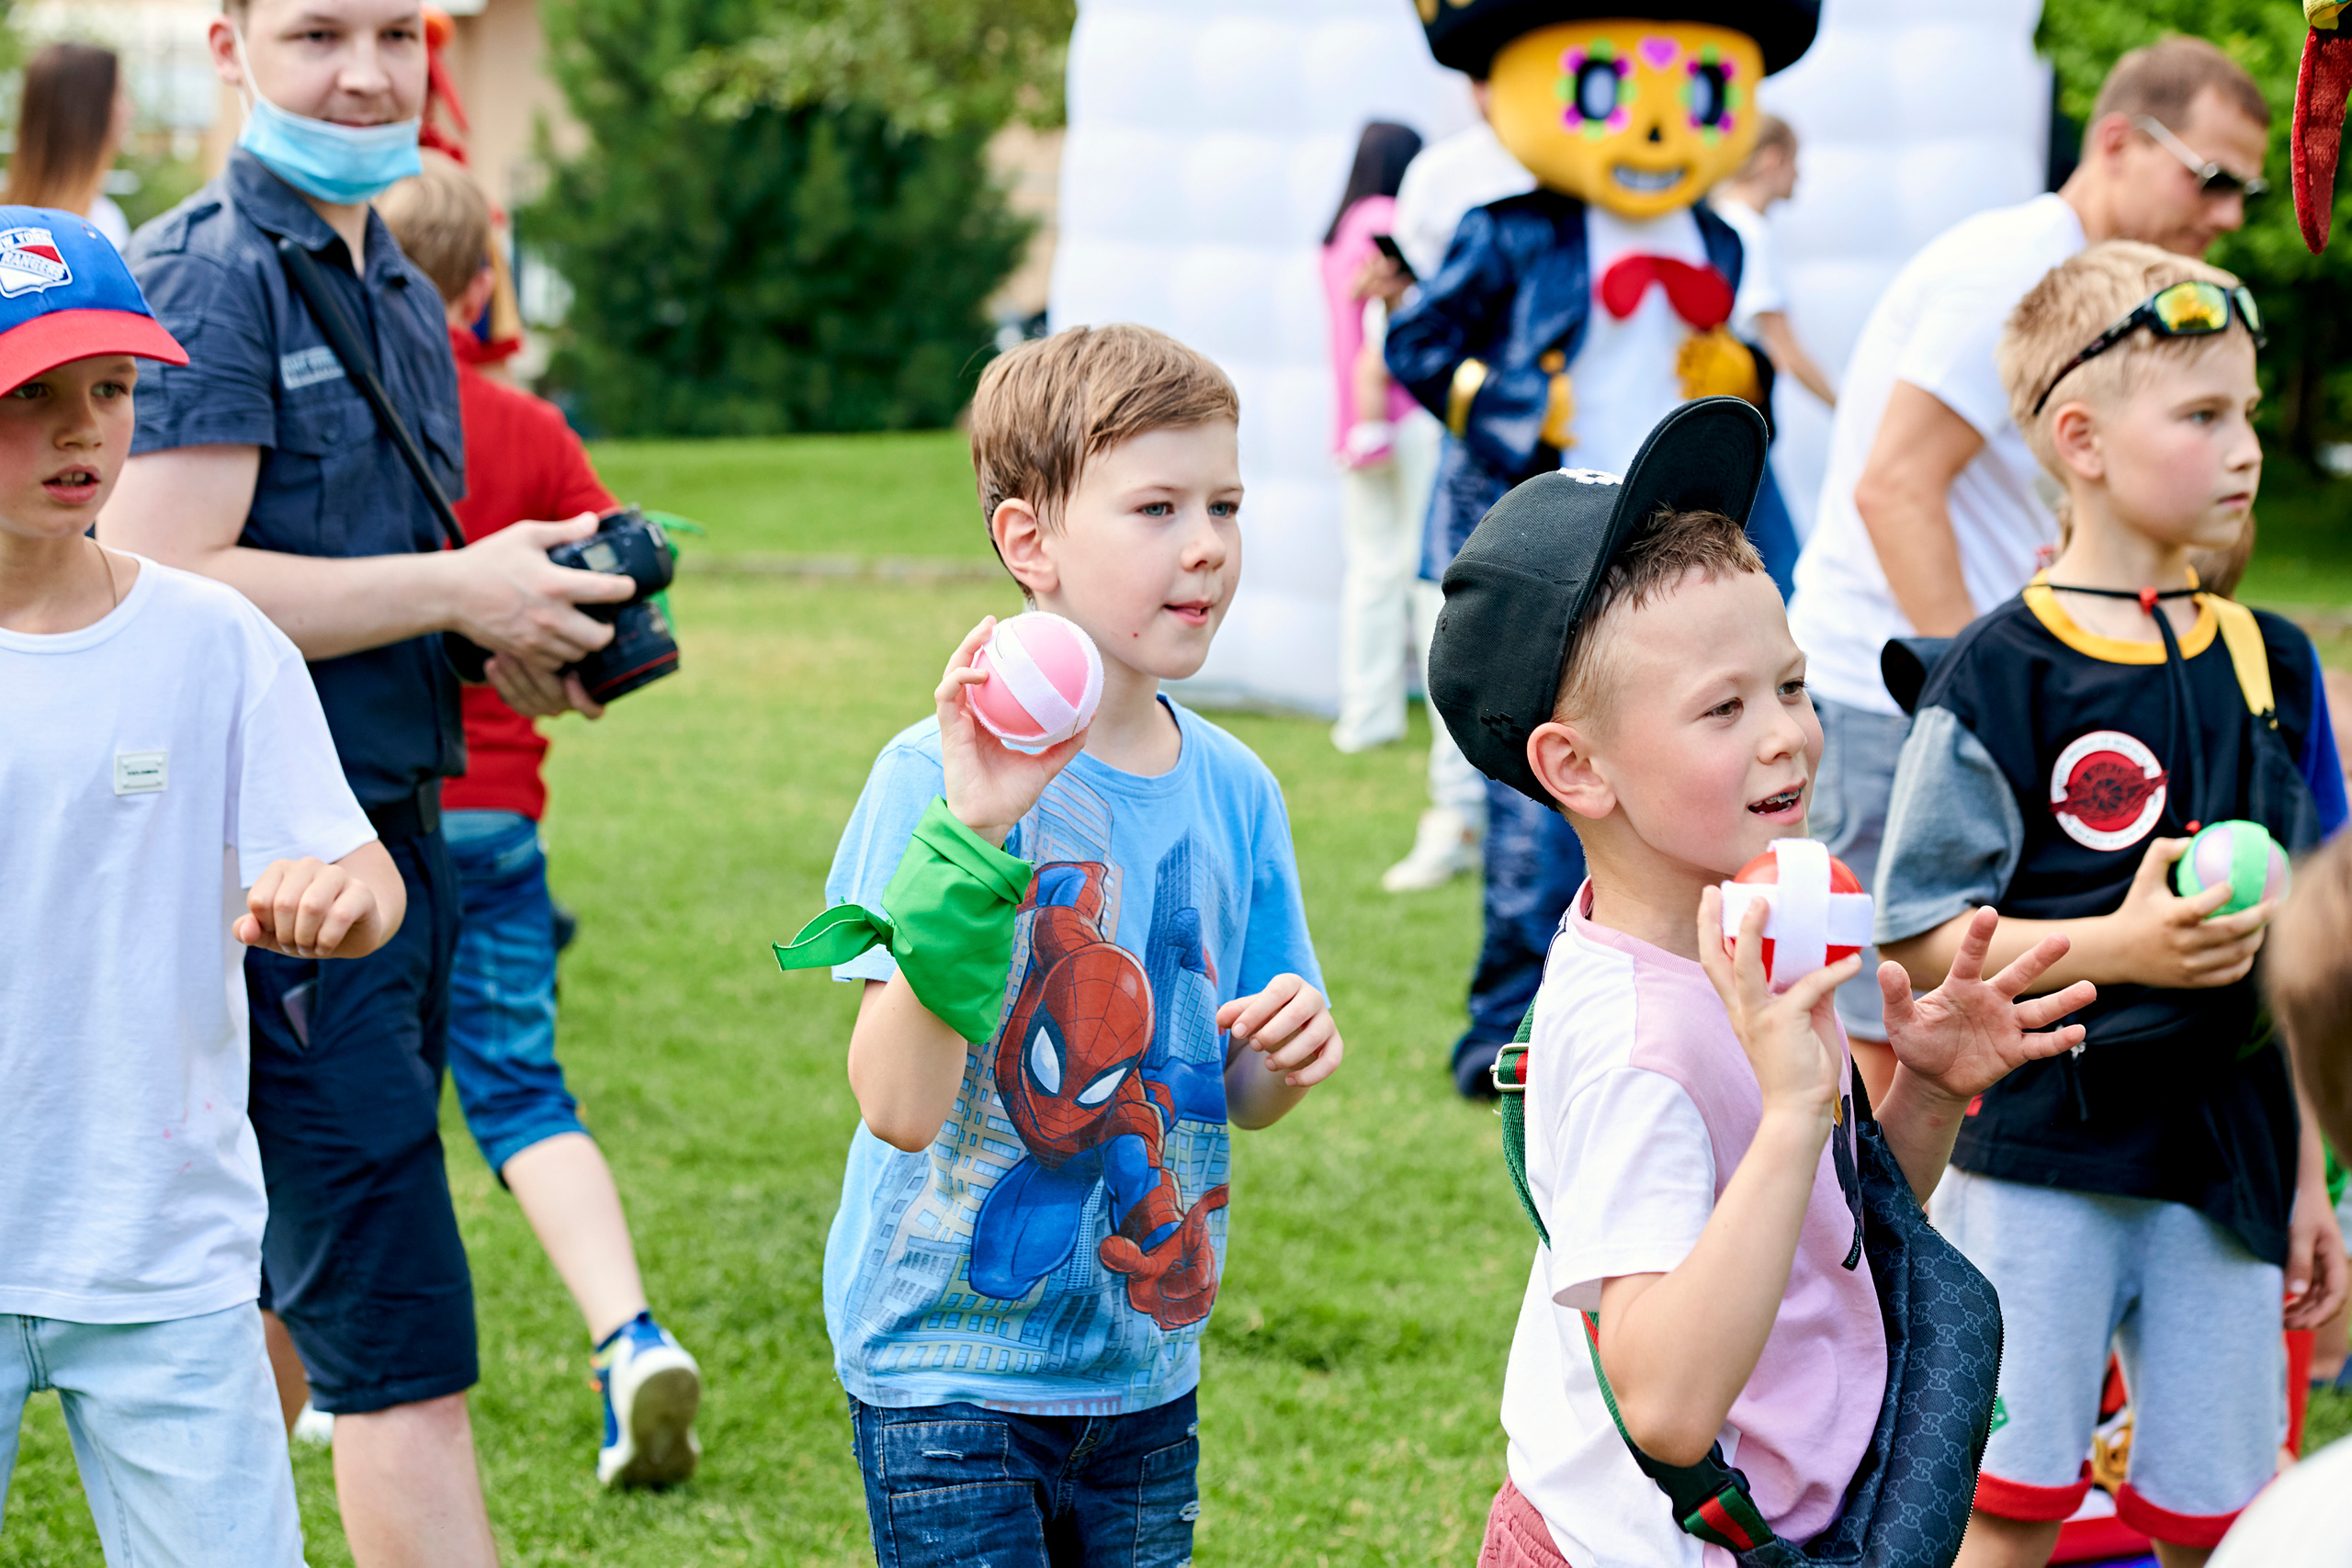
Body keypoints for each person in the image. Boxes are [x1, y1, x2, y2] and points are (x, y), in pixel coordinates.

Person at [98, 1, 637, 1560]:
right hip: (281, 881)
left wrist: (506, 632)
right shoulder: (207, 270)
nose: (364, 72)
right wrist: (463, 587)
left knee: (277, 1292)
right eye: (318, 31)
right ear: (228, 47)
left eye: (396, 32)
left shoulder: (391, 269)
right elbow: (165, 580)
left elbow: (361, 581)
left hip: (403, 835)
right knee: (403, 1350)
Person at [1420, 400, 2092, 1565]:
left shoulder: (1749, 943)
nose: (1785, 734)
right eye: (1723, 708)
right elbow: (1665, 1411)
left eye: (1789, 685)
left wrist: (1925, 1099)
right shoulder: (1638, 1042)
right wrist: (1791, 1110)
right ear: (1577, 766)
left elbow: (1818, 1241)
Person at [782, 323, 1342, 1565]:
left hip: (1141, 1373)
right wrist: (974, 836)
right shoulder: (933, 778)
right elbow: (897, 1107)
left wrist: (1285, 1056)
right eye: (1156, 507)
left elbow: (1240, 1093)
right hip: (946, 1375)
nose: (1207, 544)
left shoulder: (1239, 792)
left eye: (1225, 505)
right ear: (1029, 541)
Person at [1873, 242, 2348, 1565]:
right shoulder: (1997, 668)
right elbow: (1917, 930)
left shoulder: (2274, 662)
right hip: (2039, 1163)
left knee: (2223, 1522)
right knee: (2004, 1512)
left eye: (2245, 411)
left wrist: (2311, 1182)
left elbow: (2306, 956)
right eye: (2202, 415)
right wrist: (2121, 945)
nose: (2244, 447)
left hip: (2231, 1168)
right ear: (2079, 439)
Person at [0, 209, 401, 1562]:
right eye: (31, 393)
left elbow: (364, 874)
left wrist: (343, 902)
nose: (82, 429)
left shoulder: (212, 639)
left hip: (162, 1246)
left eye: (111, 388)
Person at [1787, 37, 2272, 1098]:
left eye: (2246, 190)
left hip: (1983, 691)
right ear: (2118, 141)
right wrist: (1992, 698)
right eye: (2212, 178)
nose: (2230, 213)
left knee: (1981, 1022)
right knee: (1893, 1033)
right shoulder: (2013, 267)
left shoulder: (2087, 285)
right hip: (1893, 694)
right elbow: (1894, 488)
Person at [374, 159, 704, 1488]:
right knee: (519, 1090)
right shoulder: (529, 426)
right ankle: (629, 1336)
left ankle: (337, 1373)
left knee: (339, 1102)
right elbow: (617, 606)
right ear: (478, 287)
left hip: (358, 821)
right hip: (500, 822)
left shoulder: (345, 427)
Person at [1369, 84, 1534, 895]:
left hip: (1593, 455)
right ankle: (1458, 814)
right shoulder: (1447, 173)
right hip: (1482, 450)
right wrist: (1503, 402)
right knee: (1457, 623)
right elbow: (1413, 318)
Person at [1322, 121, 1436, 758]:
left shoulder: (1335, 235)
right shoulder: (1389, 221)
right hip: (1405, 411)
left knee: (1369, 570)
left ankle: (1366, 715)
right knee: (1426, 570)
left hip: (1352, 419)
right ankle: (1444, 718)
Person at [1707, 114, 1838, 409]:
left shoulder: (1714, 222)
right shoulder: (1751, 234)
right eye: (1794, 161)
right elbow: (1787, 351)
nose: (1799, 175)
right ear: (1773, 159)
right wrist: (1843, 409)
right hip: (1739, 404)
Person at [4, 43, 136, 250]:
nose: (130, 110)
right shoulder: (103, 230)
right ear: (86, 113)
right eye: (118, 94)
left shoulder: (107, 220)